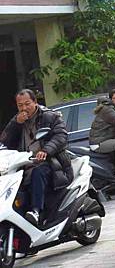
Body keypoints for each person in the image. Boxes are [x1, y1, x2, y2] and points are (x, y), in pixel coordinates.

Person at [0, 89, 73, 226]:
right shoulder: (18, 120)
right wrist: (16, 123)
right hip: (25, 163)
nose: (24, 108)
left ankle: (36, 211)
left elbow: (61, 136)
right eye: (20, 105)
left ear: (35, 102)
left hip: (51, 162)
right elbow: (6, 141)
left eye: (27, 104)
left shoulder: (50, 116)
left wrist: (46, 150)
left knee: (38, 172)